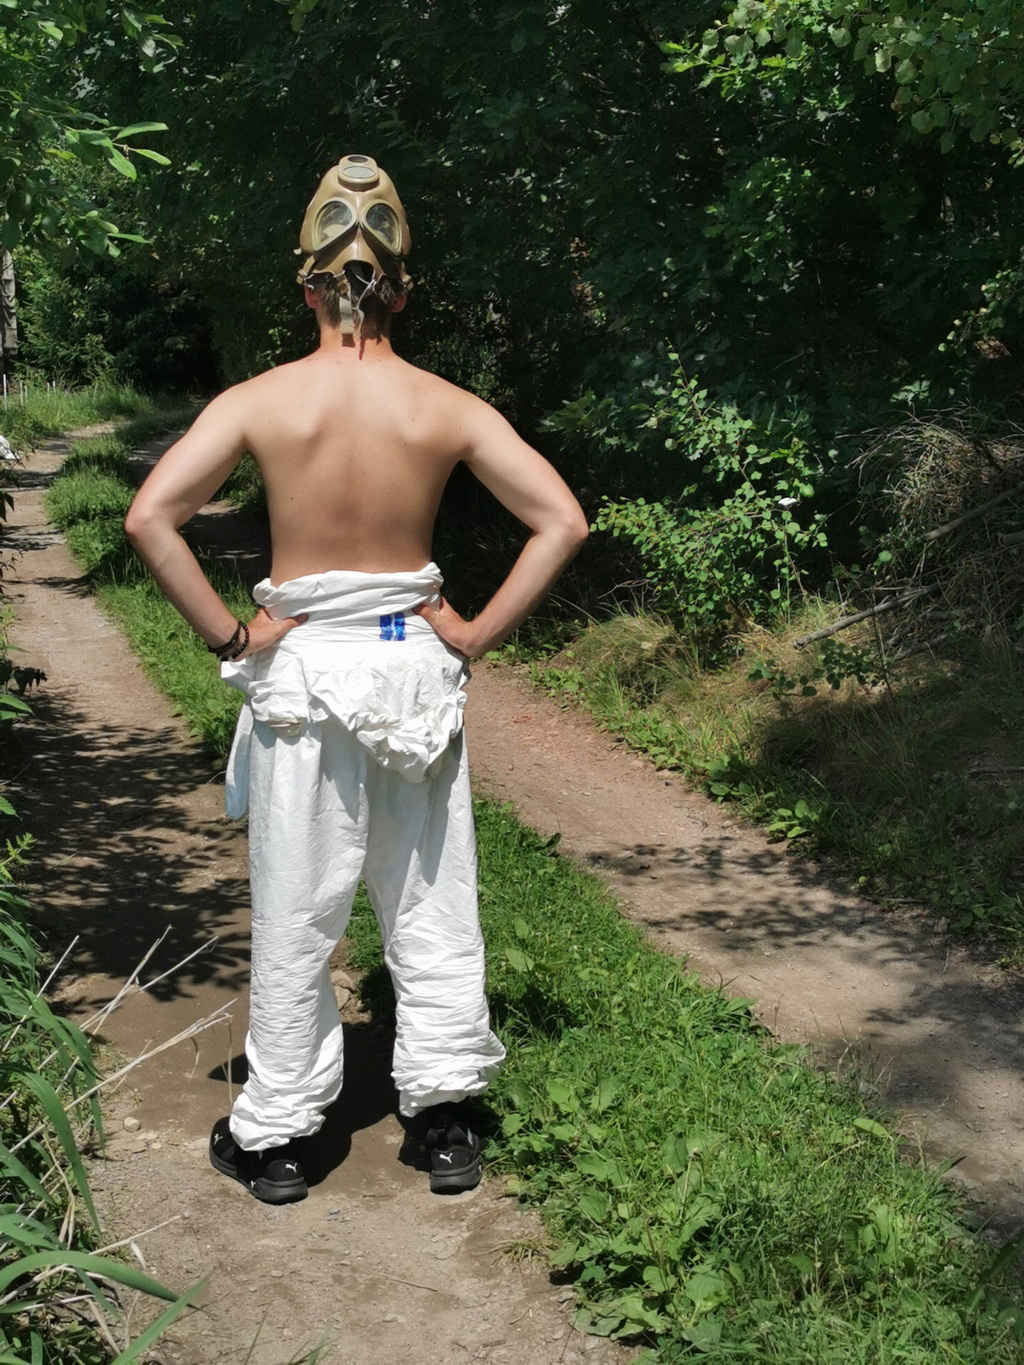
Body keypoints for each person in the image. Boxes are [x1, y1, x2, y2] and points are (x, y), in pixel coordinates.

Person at [124, 153, 589, 1202]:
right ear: (402, 291)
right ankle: (445, 1121)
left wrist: (233, 636)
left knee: (300, 906)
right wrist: (472, 634)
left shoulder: (259, 401)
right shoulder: (446, 406)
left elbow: (151, 517)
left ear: (308, 289)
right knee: (429, 898)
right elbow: (562, 521)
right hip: (410, 669)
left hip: (302, 677)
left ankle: (281, 1136)